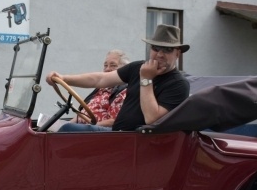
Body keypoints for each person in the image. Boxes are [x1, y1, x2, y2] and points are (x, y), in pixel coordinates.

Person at [46, 24, 190, 132]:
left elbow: (152, 119)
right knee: (49, 127)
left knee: (69, 130)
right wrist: (63, 78)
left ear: (177, 53)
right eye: (156, 48)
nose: (160, 54)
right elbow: (100, 79)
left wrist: (146, 79)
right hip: (117, 135)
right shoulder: (137, 67)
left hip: (138, 142)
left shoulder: (178, 84)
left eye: (167, 50)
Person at [73, 50, 130, 127]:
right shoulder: (102, 89)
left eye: (113, 65)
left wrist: (88, 127)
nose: (107, 69)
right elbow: (81, 115)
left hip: (101, 133)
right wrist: (63, 126)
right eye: (105, 65)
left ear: (124, 69)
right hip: (85, 128)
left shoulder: (123, 91)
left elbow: (114, 121)